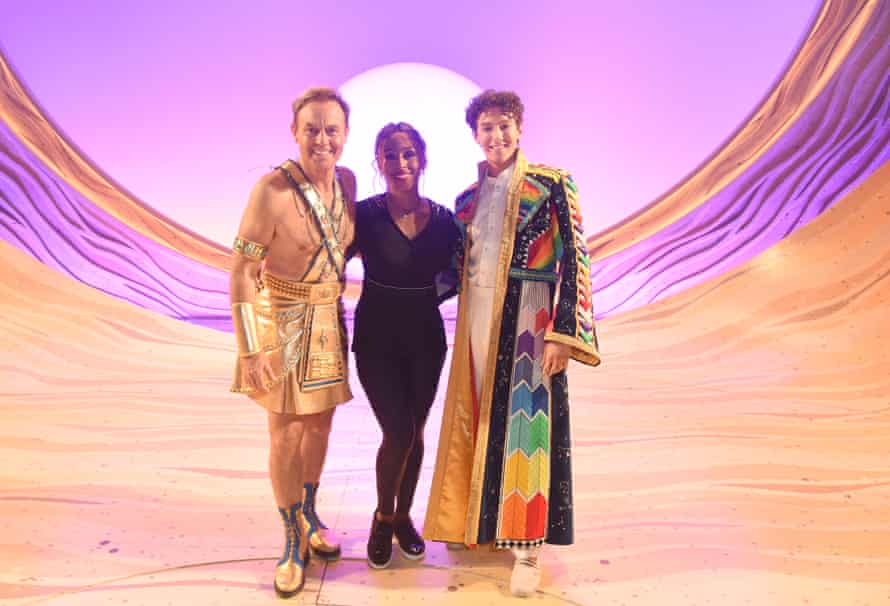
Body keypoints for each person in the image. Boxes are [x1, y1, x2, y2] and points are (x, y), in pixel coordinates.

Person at [423, 90, 601, 597]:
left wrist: (562, 331)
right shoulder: (466, 201)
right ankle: (477, 522)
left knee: (528, 425)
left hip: (529, 314)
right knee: (477, 416)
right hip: (475, 320)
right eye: (486, 128)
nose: (496, 136)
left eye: (504, 125)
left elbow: (578, 258)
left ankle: (527, 549)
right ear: (474, 136)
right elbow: (450, 269)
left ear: (519, 128)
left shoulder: (552, 184)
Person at [229, 87, 355, 598]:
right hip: (280, 319)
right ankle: (288, 540)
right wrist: (249, 347)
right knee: (284, 433)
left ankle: (308, 513)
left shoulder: (344, 183)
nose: (322, 140)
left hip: (329, 314)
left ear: (345, 137)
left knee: (320, 426)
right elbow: (240, 271)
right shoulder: (270, 191)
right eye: (312, 129)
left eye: (332, 130)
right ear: (295, 132)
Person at [347, 122, 462, 569]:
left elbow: (460, 272)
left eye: (409, 154)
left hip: (426, 341)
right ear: (378, 162)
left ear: (423, 160)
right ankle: (382, 517)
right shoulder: (365, 214)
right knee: (396, 431)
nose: (400, 164)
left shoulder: (446, 220)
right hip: (376, 338)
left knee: (414, 434)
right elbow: (328, 256)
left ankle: (403, 520)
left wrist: (429, 295)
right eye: (390, 155)